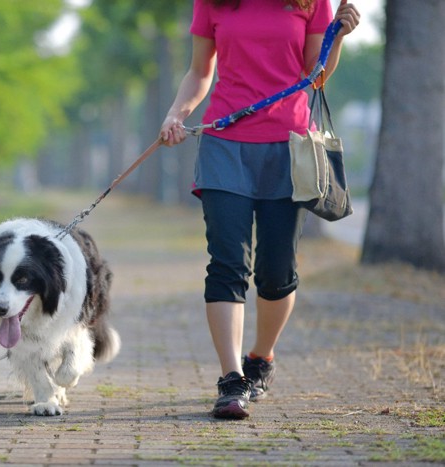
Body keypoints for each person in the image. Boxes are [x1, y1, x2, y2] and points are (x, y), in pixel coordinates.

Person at [159, 0, 360, 420]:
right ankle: (232, 380)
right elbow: (199, 71)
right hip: (224, 143)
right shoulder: (211, 2)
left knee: (276, 269)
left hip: (288, 147)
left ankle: (260, 359)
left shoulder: (311, 2)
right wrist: (177, 114)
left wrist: (336, 36)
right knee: (227, 262)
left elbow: (315, 75)